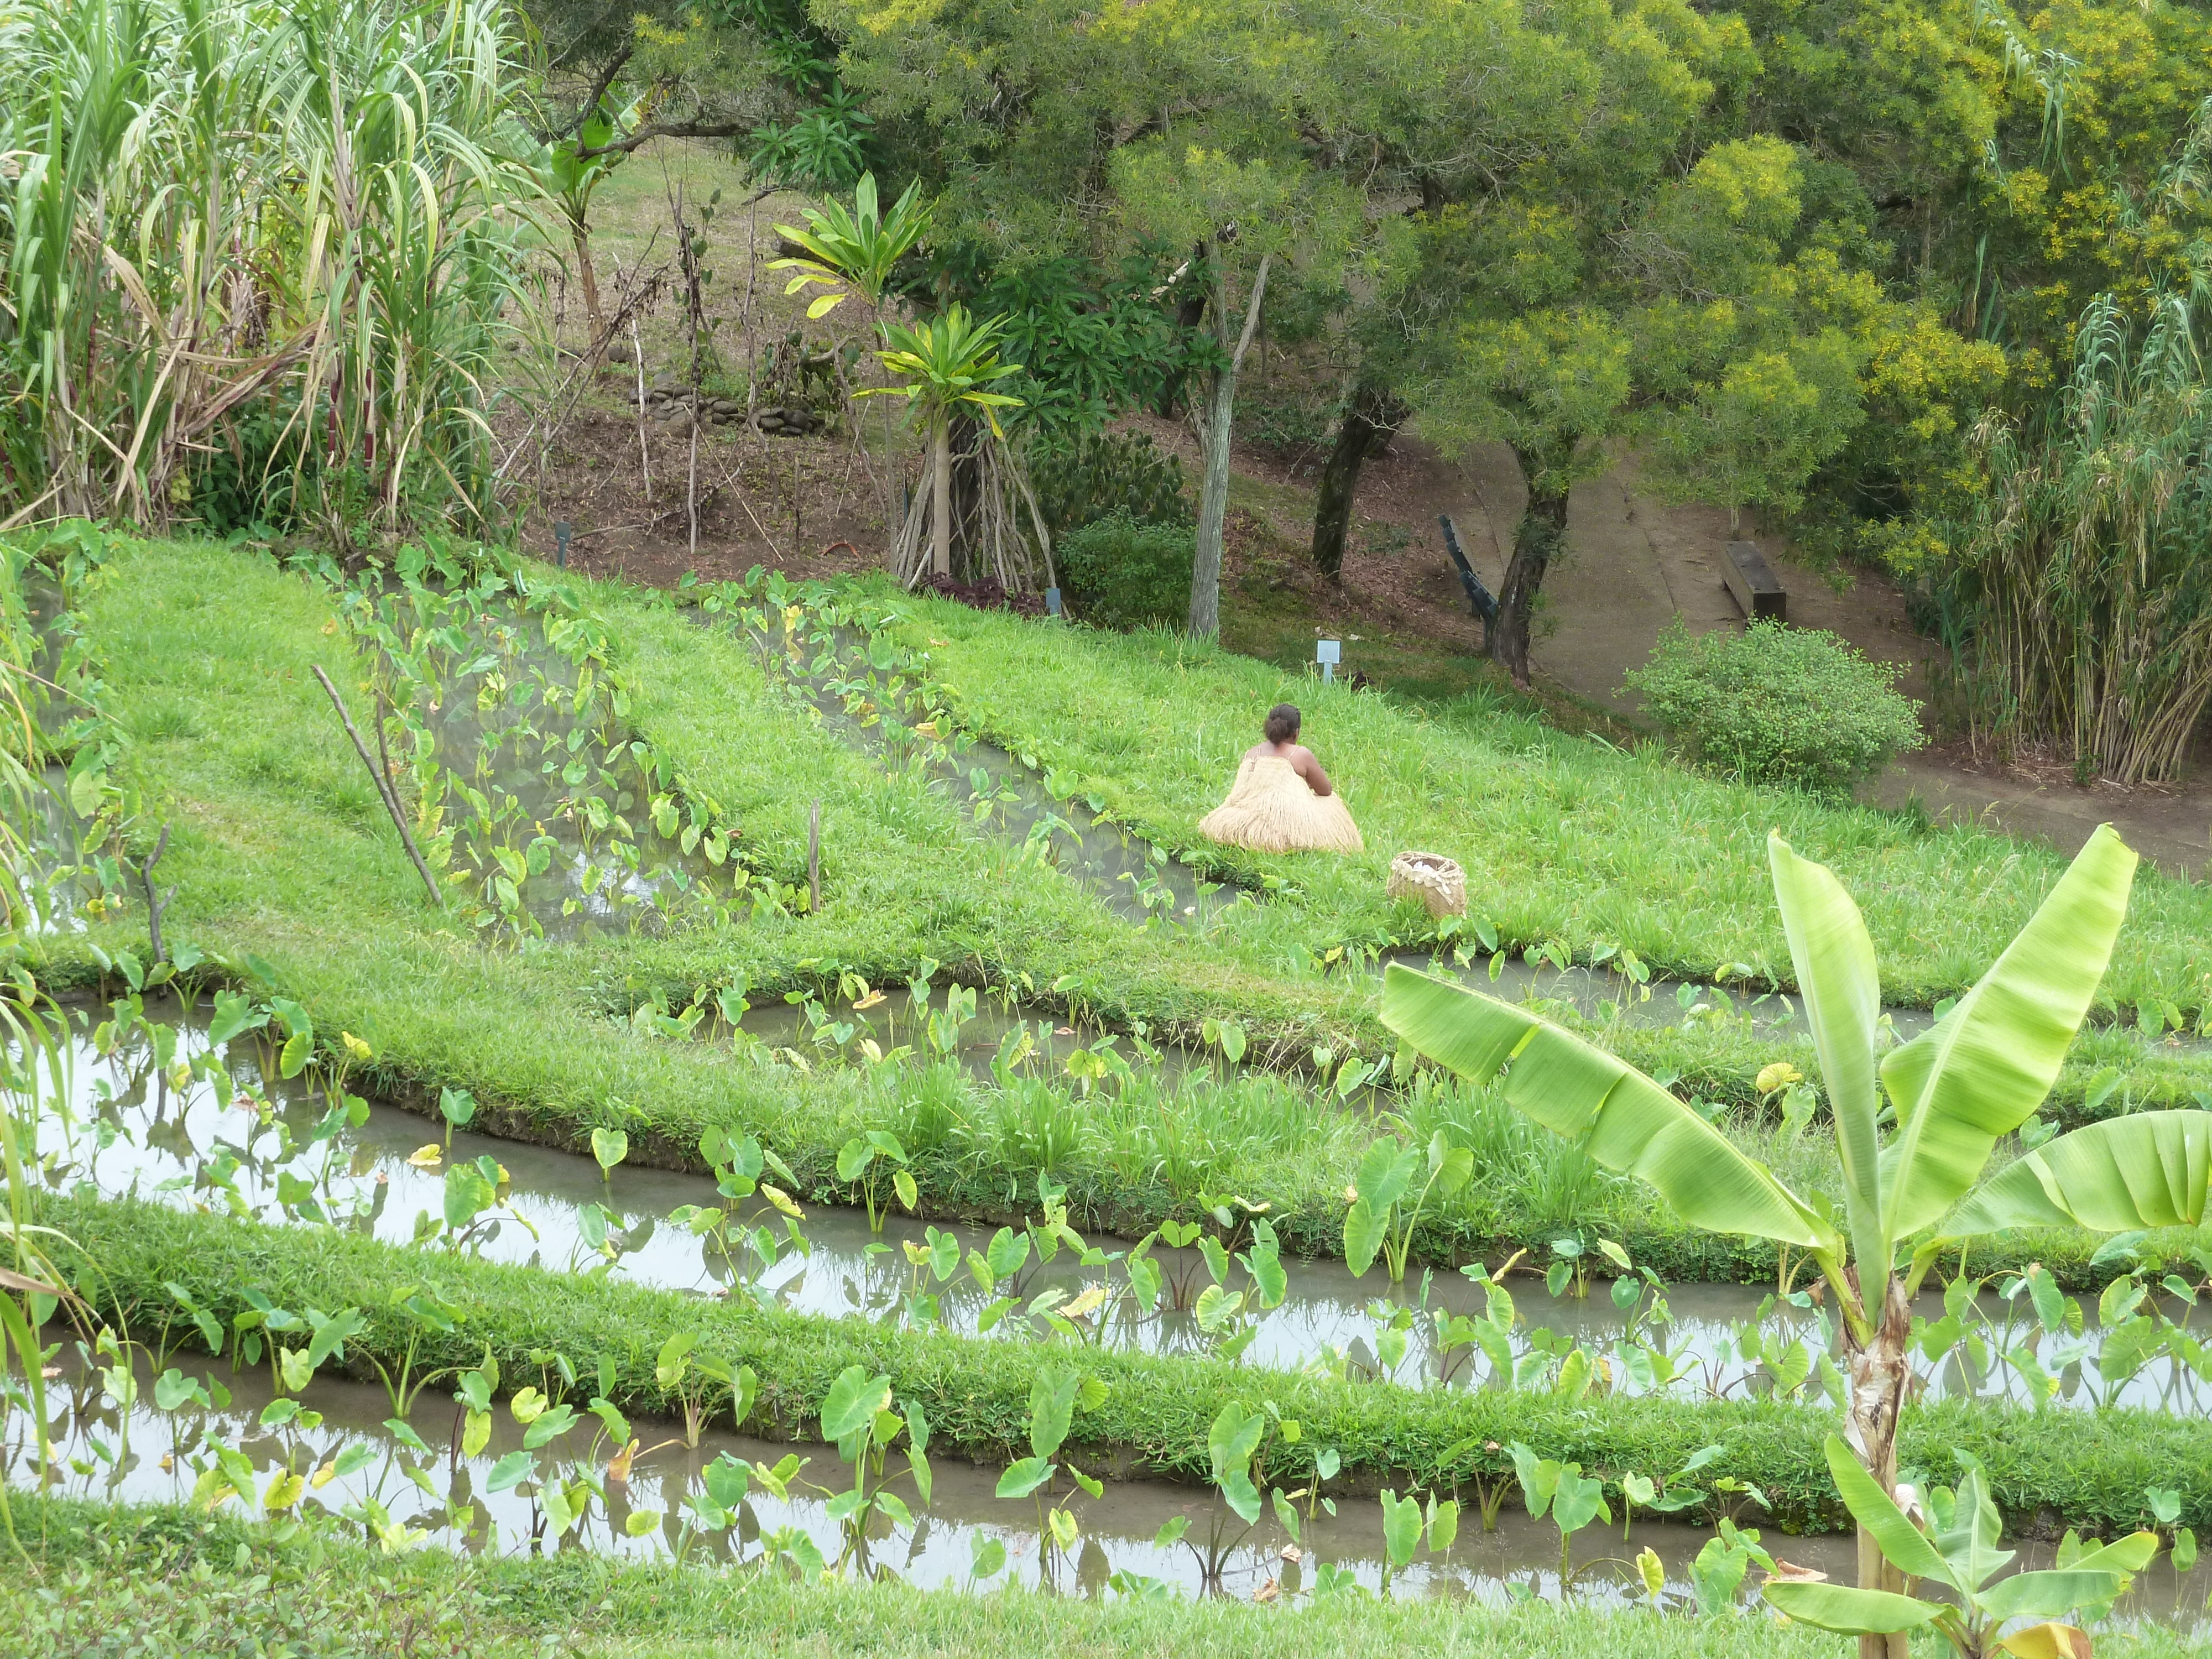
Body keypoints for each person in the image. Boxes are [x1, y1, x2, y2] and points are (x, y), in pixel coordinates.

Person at [1198, 703, 1364, 853]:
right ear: (1296, 732)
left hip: (1233, 823)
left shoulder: (1251, 753)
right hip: (1277, 829)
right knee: (1331, 802)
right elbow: (1325, 790)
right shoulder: (1300, 754)